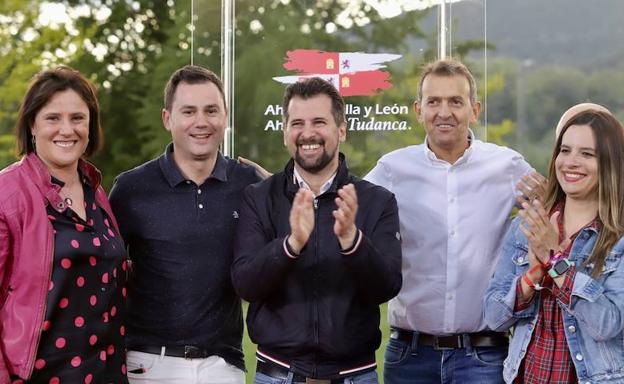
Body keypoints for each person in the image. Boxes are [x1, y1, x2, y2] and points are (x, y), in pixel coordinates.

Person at [365, 58, 534, 384]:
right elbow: (341, 206)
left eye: (455, 101)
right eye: (434, 102)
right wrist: (278, 186)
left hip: (483, 357)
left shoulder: (507, 167)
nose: (444, 112)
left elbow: (558, 208)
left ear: (475, 109)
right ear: (419, 110)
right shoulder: (391, 170)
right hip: (409, 357)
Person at [232, 77, 402, 383]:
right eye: (297, 122)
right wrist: (291, 244)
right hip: (277, 375)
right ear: (285, 133)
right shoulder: (259, 197)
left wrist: (352, 242)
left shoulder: (377, 201)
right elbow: (245, 284)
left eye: (319, 122)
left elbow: (386, 287)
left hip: (355, 376)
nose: (307, 133)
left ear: (341, 130)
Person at [109, 65, 261, 384]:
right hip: (147, 364)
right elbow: (104, 274)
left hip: (223, 364)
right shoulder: (131, 189)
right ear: (168, 119)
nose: (201, 122)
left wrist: (280, 189)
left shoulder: (249, 185)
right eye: (188, 111)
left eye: (211, 110)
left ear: (225, 116)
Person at [0, 67, 128, 383]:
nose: (67, 129)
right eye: (53, 118)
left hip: (106, 374)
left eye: (77, 118)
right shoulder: (8, 194)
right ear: (32, 123)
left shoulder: (96, 190)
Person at [484, 110, 624, 383]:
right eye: (565, 150)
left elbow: (608, 324)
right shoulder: (526, 226)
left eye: (587, 154)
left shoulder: (618, 237)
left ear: (610, 164)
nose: (571, 162)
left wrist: (555, 261)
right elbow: (494, 317)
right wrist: (531, 277)